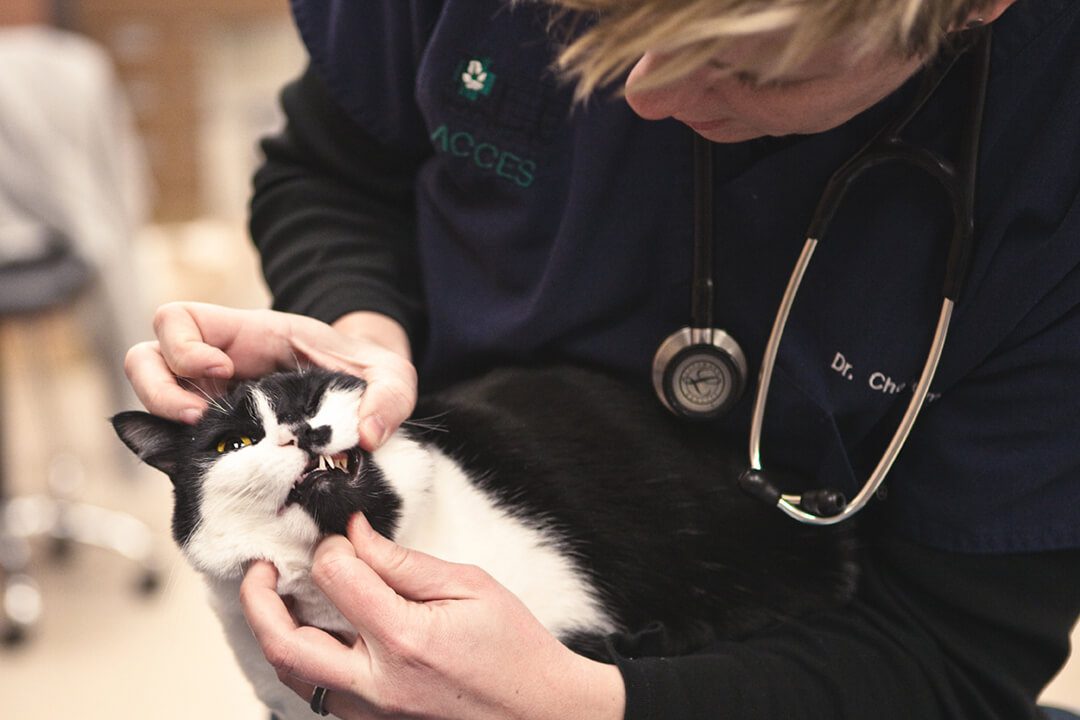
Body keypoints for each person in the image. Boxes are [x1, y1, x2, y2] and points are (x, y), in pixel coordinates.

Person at [125, 0, 1080, 717]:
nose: (644, 95)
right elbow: (334, 168)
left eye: (749, 73)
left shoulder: (1051, 156)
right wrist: (359, 332)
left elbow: (953, 657)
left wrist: (578, 703)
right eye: (594, 20)